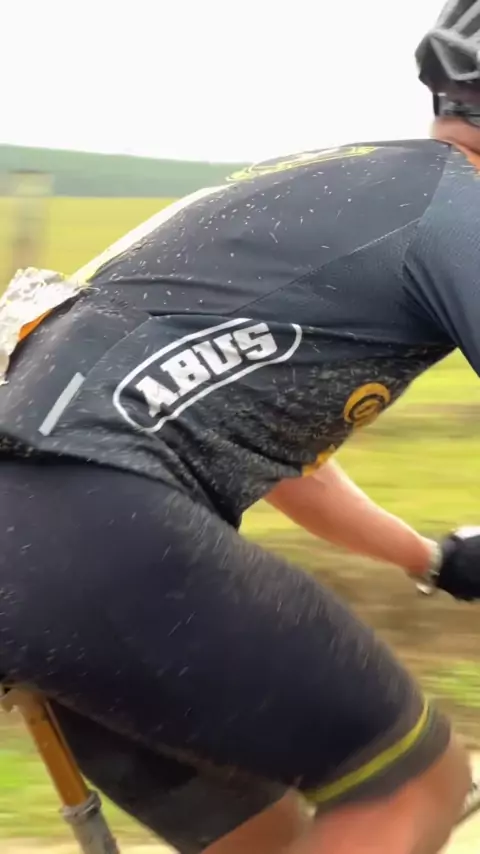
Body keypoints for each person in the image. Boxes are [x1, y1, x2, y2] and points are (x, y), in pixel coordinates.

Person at [4, 1, 480, 851]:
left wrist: (433, 559)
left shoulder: (352, 187)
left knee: (264, 838)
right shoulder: (455, 211)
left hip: (49, 540)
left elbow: (291, 464)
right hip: (104, 525)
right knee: (414, 785)